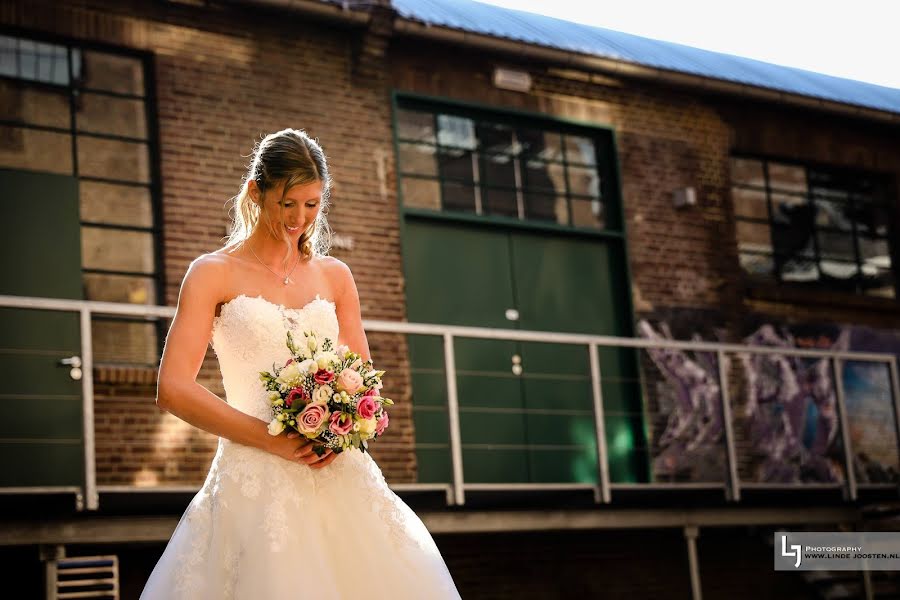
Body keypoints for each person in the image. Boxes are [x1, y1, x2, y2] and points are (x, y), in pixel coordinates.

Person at [140, 129, 461, 599]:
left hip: (337, 471)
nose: (299, 219)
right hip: (251, 478)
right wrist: (276, 442)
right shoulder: (212, 273)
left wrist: (340, 425)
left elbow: (363, 383)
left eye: (312, 205)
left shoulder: (336, 276)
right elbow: (172, 388)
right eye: (288, 204)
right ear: (256, 192)